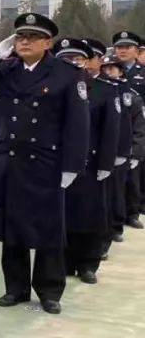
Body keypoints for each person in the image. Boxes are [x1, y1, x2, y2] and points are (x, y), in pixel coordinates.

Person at [0, 13, 89, 314]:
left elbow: (77, 124)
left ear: (48, 43)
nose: (25, 42)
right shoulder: (6, 70)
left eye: (32, 37)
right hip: (12, 161)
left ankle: (49, 290)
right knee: (13, 228)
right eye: (20, 37)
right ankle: (15, 288)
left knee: (48, 230)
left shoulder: (66, 74)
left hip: (47, 161)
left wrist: (72, 165)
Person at [59, 39, 118, 284]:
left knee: (90, 214)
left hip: (90, 163)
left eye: (79, 59)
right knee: (63, 214)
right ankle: (63, 261)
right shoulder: (52, 88)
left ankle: (87, 263)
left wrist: (106, 163)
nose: (73, 64)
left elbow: (111, 131)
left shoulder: (104, 90)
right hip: (58, 161)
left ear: (90, 62)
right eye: (67, 59)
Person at [112, 31, 145, 229]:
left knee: (134, 171)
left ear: (137, 50)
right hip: (115, 124)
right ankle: (118, 213)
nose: (122, 51)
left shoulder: (142, 72)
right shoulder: (109, 69)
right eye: (119, 47)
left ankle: (132, 211)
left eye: (127, 47)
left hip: (137, 124)